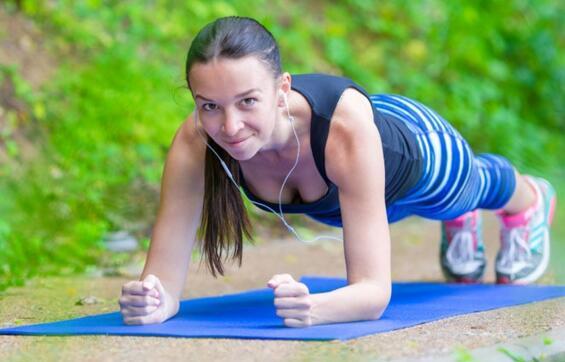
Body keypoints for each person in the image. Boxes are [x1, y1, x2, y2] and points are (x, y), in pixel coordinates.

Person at [118, 16, 557, 328]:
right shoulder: (197, 139)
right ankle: (456, 221)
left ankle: (530, 200)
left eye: (247, 101)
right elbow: (162, 279)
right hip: (351, 194)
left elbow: (372, 293)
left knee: (472, 189)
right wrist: (155, 301)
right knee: (438, 209)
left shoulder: (343, 129)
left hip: (413, 152)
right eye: (209, 105)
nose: (229, 127)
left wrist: (317, 308)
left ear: (281, 89)